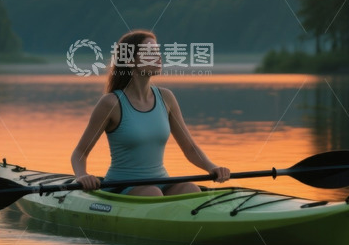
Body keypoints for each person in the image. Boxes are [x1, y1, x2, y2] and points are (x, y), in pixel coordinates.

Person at [70, 29, 231, 195]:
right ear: (131, 61)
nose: (158, 57)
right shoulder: (110, 103)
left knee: (190, 189)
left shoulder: (166, 97)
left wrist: (213, 167)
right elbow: (80, 153)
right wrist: (82, 176)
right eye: (150, 52)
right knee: (151, 193)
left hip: (161, 182)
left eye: (157, 51)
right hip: (123, 186)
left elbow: (190, 148)